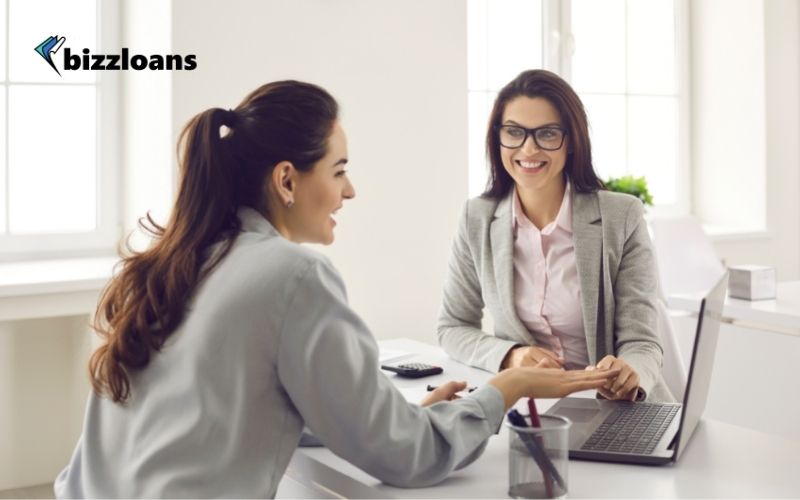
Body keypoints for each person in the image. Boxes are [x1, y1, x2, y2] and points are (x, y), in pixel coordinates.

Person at [54, 80, 618, 498]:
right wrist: (506, 387)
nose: (350, 191)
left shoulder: (165, 265)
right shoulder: (293, 275)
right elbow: (407, 458)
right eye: (339, 169)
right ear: (286, 180)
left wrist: (386, 414)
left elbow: (218, 418)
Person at [438, 69, 673, 403]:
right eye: (514, 132)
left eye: (547, 134)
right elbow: (453, 327)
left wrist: (629, 371)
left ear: (572, 141)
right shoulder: (476, 218)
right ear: (497, 138)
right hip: (529, 410)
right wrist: (512, 356)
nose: (529, 148)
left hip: (613, 408)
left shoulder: (622, 217)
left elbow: (643, 342)